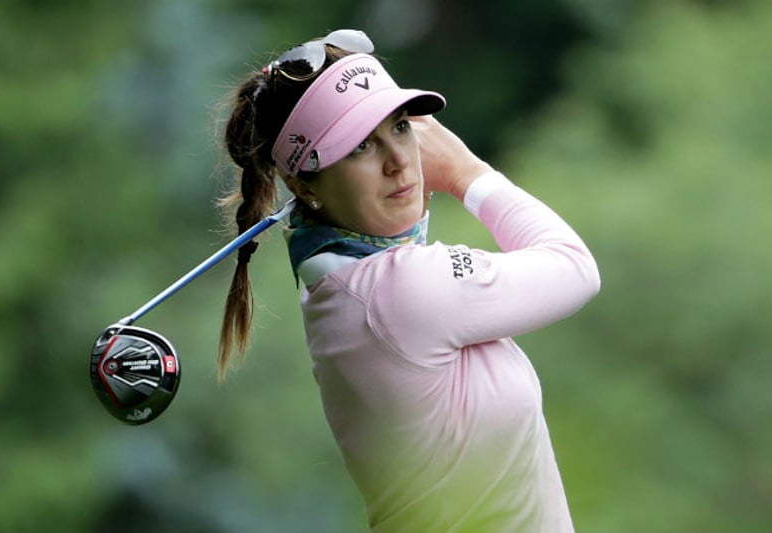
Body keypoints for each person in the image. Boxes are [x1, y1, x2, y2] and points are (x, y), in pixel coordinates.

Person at [216, 29, 600, 533]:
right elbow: (574, 267)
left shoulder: (344, 273)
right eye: (359, 147)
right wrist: (467, 173)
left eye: (399, 127)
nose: (399, 161)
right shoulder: (398, 292)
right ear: (302, 182)